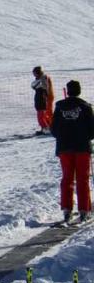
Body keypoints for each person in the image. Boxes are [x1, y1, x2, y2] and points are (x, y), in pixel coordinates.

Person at [51, 80, 94, 224]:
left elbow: (53, 129)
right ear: (79, 91)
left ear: (68, 91)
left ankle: (67, 209)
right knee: (83, 179)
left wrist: (63, 136)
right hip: (82, 147)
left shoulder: (59, 106)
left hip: (64, 148)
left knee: (67, 178)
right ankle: (84, 209)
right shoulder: (86, 107)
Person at [32, 66, 55, 135]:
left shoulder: (44, 78)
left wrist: (46, 95)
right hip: (46, 97)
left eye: (34, 73)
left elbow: (43, 87)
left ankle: (50, 127)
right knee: (45, 113)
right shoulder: (42, 78)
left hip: (47, 97)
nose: (33, 75)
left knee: (47, 113)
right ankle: (46, 128)